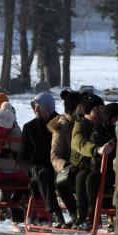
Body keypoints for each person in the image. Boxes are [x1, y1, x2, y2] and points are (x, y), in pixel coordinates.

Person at [70, 93, 114, 231]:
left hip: (103, 168)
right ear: (89, 110)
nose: (101, 111)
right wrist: (97, 149)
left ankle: (93, 216)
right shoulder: (80, 125)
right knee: (82, 176)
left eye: (102, 108)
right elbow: (80, 143)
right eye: (97, 108)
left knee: (92, 178)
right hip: (85, 164)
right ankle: (81, 214)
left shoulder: (105, 126)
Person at [17, 92, 62, 227]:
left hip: (60, 167)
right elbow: (22, 157)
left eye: (39, 107)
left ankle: (83, 216)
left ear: (48, 106)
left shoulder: (61, 123)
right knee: (43, 174)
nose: (36, 110)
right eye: (35, 106)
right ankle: (57, 213)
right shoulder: (29, 128)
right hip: (39, 170)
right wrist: (31, 168)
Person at [47, 90, 82, 226]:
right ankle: (74, 213)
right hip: (70, 167)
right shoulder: (62, 128)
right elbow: (55, 155)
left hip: (85, 166)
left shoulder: (87, 124)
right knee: (60, 180)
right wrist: (66, 165)